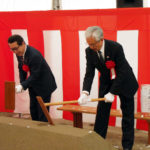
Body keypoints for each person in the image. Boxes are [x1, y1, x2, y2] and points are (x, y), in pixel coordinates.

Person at [78, 26, 138, 150]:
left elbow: (122, 73)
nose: (91, 47)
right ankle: (97, 143)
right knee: (102, 113)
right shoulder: (89, 51)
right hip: (106, 81)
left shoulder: (116, 47)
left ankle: (127, 147)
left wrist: (112, 93)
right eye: (88, 44)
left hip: (125, 81)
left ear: (101, 40)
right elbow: (89, 73)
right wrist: (85, 92)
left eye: (93, 44)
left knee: (127, 115)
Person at [8, 34, 57, 122]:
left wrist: (23, 85)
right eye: (12, 49)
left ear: (23, 43)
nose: (14, 52)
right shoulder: (19, 53)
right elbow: (22, 68)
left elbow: (35, 75)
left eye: (15, 48)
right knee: (33, 111)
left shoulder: (34, 55)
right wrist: (22, 84)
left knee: (42, 114)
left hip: (44, 85)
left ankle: (43, 133)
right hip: (33, 84)